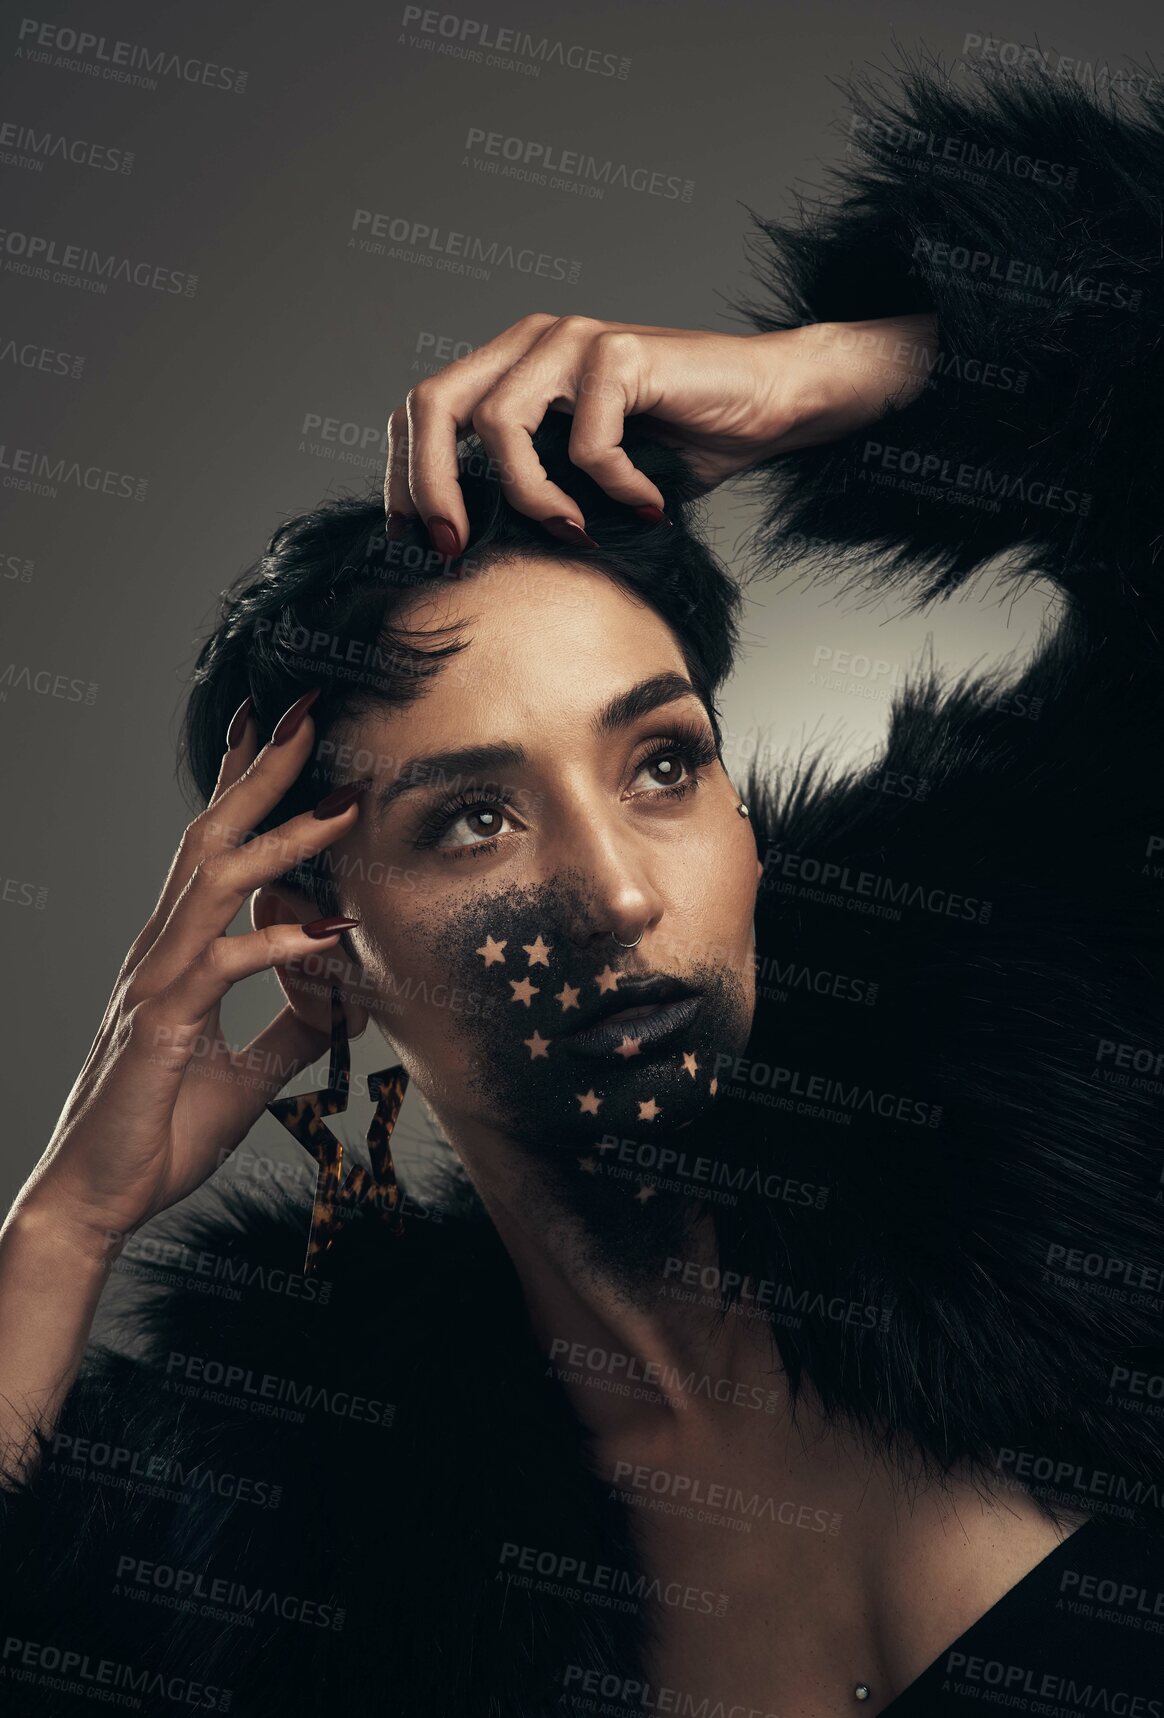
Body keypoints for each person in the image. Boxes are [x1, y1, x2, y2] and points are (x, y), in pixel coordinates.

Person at [2, 54, 1163, 1718]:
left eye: (665, 763)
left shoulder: (1068, 1046)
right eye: (472, 822)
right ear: (326, 941)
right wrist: (63, 1227)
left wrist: (836, 376)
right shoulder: (310, 1536)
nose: (614, 894)